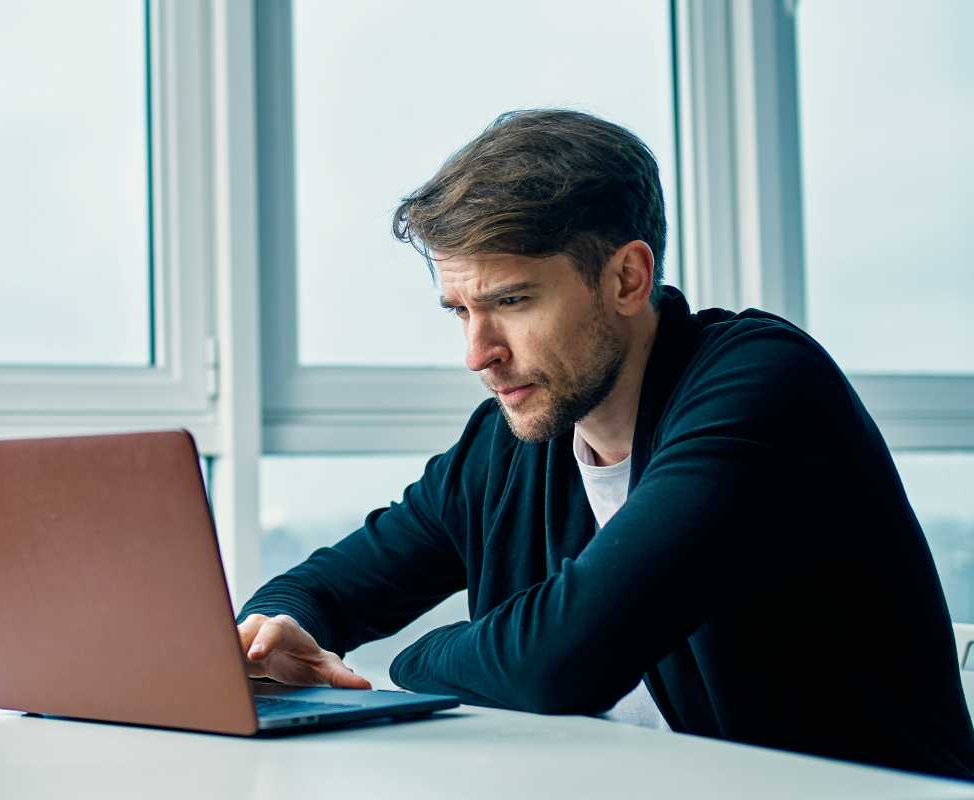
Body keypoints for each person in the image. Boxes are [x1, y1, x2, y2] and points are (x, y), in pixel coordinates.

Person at [234, 109, 974, 780]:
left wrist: (409, 660)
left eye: (511, 301)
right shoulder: (513, 442)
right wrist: (276, 632)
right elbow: (331, 585)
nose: (478, 352)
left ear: (626, 277)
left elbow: (557, 663)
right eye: (460, 310)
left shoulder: (762, 387)